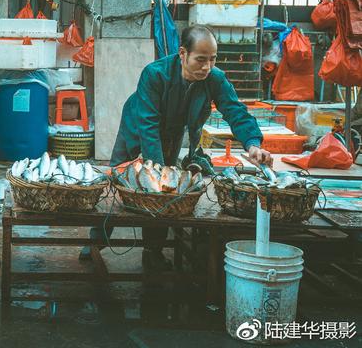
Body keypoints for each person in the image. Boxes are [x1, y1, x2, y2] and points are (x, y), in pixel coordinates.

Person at [80, 25, 272, 268]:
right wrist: (156, 169)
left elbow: (235, 111)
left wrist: (253, 144)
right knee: (119, 178)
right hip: (137, 125)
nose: (207, 67)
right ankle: (97, 239)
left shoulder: (214, 78)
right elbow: (148, 127)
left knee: (163, 192)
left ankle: (153, 249)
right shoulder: (155, 74)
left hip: (171, 133)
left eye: (212, 59)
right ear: (183, 53)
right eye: (200, 59)